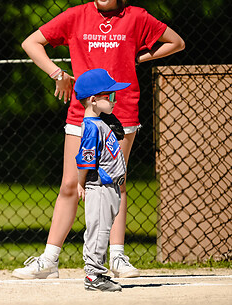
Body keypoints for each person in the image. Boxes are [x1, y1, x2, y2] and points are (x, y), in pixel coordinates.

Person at [12, 0, 185, 279]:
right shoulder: (75, 15)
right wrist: (57, 73)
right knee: (70, 183)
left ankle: (116, 257)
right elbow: (31, 42)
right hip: (81, 112)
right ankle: (49, 260)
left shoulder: (136, 17)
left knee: (115, 181)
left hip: (122, 109)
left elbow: (176, 42)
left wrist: (137, 58)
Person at [74, 68, 130, 291]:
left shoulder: (100, 123)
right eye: (109, 96)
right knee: (98, 231)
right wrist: (80, 182)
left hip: (110, 187)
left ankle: (97, 272)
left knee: (103, 229)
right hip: (99, 186)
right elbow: (85, 160)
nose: (114, 101)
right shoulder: (90, 127)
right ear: (93, 100)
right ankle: (93, 275)